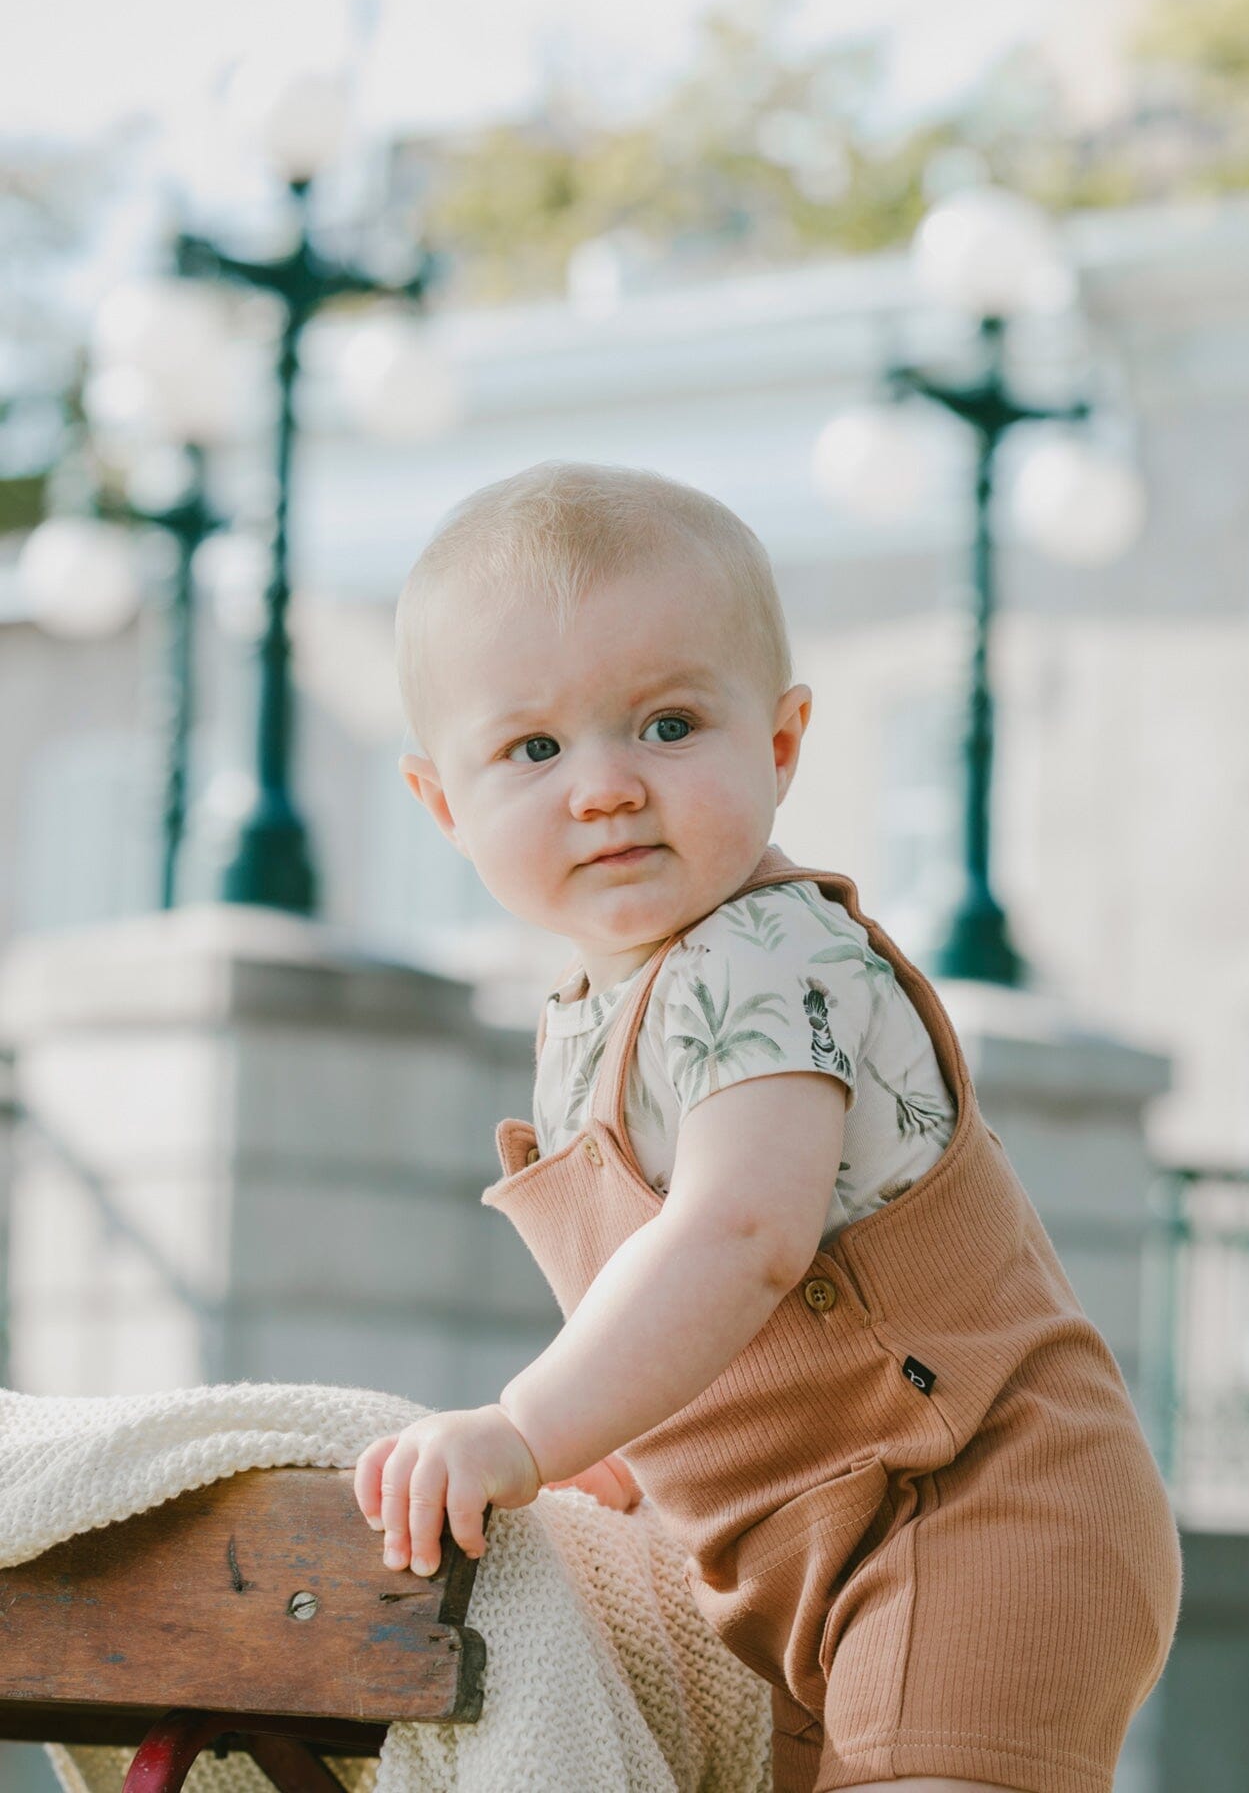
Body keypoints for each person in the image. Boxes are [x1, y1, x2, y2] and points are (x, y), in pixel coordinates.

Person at [353, 461, 1183, 1793]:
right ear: (444, 804)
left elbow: (739, 1237)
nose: (609, 786)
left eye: (669, 726)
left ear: (783, 745)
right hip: (792, 1548)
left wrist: (524, 1431)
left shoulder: (767, 954)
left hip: (970, 1502)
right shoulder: (590, 1013)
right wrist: (607, 1477)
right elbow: (669, 1327)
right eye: (536, 749)